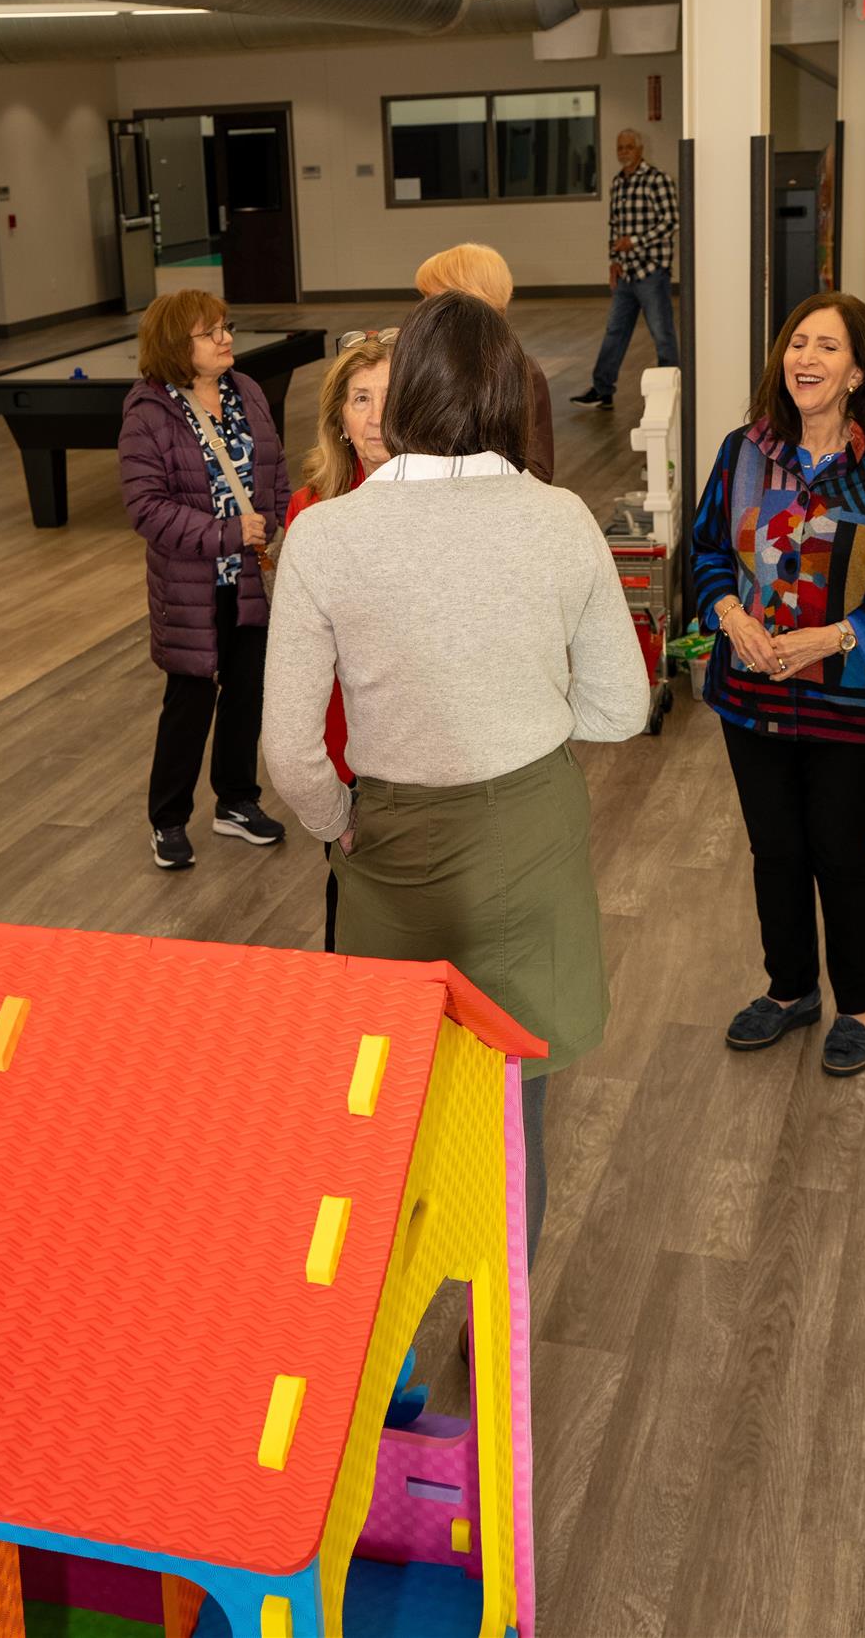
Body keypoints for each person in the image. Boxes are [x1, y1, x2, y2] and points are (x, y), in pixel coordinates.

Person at [262, 292, 649, 1266]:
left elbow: (290, 750)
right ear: (507, 395)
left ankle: (383, 1328)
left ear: (402, 400)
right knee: (516, 1119)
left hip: (390, 839)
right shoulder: (560, 519)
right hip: (532, 830)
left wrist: (341, 819)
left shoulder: (326, 535)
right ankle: (495, 1333)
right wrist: (523, 711)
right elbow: (620, 708)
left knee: (392, 1112)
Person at [693, 291, 865, 1074]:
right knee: (774, 848)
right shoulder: (743, 452)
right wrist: (730, 613)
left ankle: (857, 1006)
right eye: (797, 343)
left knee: (839, 849)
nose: (805, 357)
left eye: (827, 347)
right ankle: (791, 989)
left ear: (859, 372)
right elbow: (707, 551)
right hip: (750, 696)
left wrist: (836, 636)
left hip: (855, 702)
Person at [119, 289, 290, 871]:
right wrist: (227, 533)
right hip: (192, 586)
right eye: (210, 332)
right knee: (189, 703)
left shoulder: (248, 391)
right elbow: (146, 508)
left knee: (247, 692)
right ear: (176, 345)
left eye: (225, 326)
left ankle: (236, 801)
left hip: (251, 579)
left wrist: (276, 521)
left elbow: (274, 467)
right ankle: (167, 820)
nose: (226, 338)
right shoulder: (148, 414)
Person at [285, 332, 395, 953]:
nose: (377, 416)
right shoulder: (311, 510)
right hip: (348, 747)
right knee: (352, 914)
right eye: (361, 399)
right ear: (340, 419)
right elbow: (301, 665)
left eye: (390, 396)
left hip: (428, 748)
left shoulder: (447, 504)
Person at [414, 244, 555, 482]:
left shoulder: (522, 373)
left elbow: (537, 470)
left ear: (469, 300)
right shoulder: (421, 363)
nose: (421, 308)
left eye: (430, 298)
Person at [572, 129, 679, 412]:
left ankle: (672, 392)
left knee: (662, 334)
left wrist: (635, 242)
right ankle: (602, 390)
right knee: (614, 332)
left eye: (629, 147)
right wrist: (614, 261)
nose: (624, 152)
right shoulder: (618, 183)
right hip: (625, 274)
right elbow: (614, 226)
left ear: (640, 150)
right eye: (620, 147)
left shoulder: (657, 179)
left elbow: (671, 221)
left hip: (652, 271)